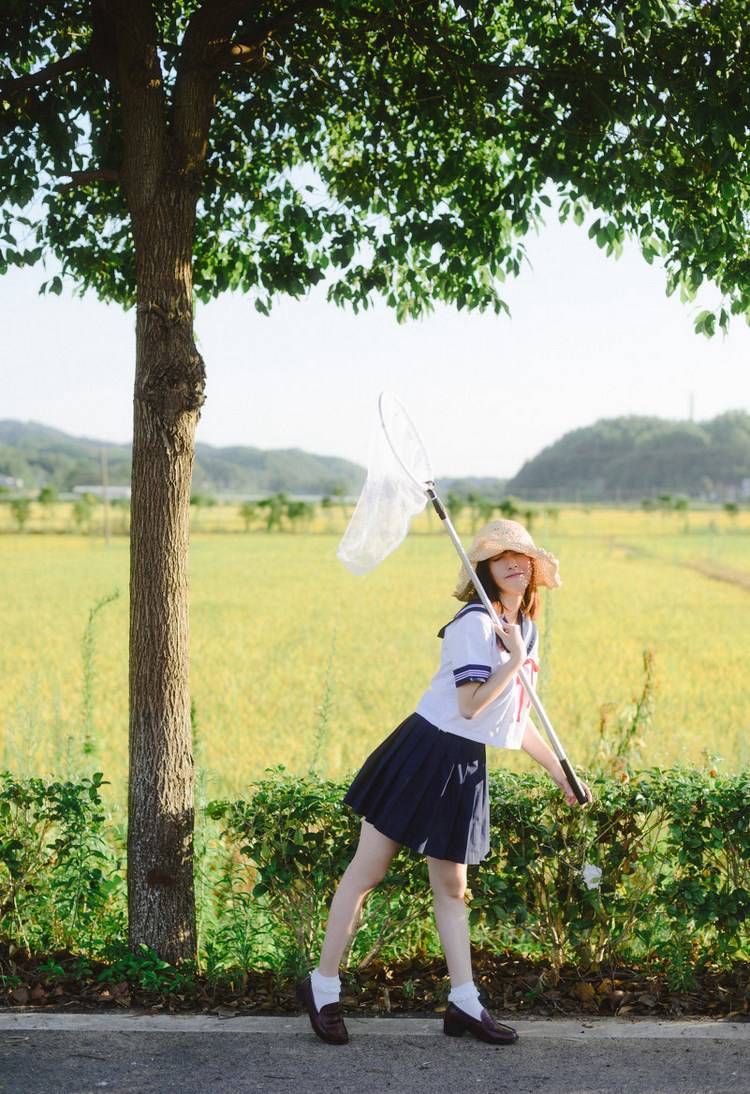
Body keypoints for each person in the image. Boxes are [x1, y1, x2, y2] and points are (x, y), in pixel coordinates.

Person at [296, 519, 593, 1046]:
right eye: (501, 556)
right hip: (426, 748)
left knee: (453, 887)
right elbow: (472, 705)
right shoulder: (473, 625)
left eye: (522, 556)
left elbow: (513, 719)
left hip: (464, 761)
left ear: (534, 570)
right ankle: (322, 987)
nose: (514, 563)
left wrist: (559, 771)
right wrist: (515, 662)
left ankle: (463, 1002)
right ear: (483, 567)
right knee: (368, 871)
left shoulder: (524, 629)